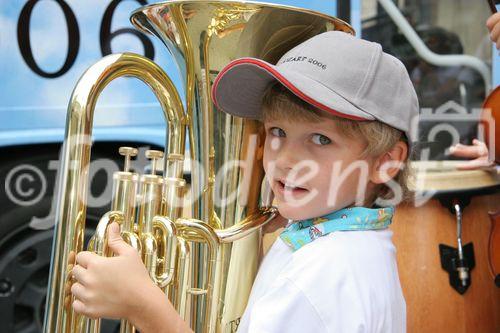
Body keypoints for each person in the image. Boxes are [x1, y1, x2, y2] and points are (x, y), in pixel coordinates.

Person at [69, 13, 499, 333]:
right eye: (276, 131)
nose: (284, 158)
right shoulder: (345, 241)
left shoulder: (319, 275)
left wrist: (143, 305)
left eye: (320, 139)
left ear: (386, 161)